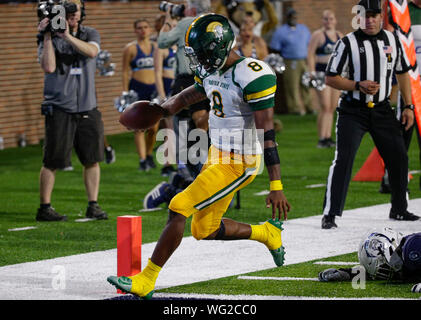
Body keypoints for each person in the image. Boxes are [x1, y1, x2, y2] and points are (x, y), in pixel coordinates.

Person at [107, 13, 290, 299]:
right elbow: (186, 97)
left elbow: (267, 134)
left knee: (179, 205)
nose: (199, 62)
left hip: (241, 161)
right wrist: (159, 112)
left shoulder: (253, 74)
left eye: (202, 54)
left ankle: (147, 279)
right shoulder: (211, 70)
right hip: (217, 153)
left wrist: (276, 186)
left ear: (218, 48)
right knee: (204, 228)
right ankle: (266, 233)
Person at [321, 0, 420, 230]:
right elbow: (331, 77)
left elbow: (403, 73)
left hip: (383, 109)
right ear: (359, 17)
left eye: (374, 15)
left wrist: (408, 106)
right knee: (343, 159)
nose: (370, 20)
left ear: (382, 16)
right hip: (353, 110)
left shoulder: (392, 40)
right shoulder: (347, 43)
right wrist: (357, 85)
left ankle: (399, 208)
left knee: (399, 157)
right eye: (366, 16)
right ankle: (330, 213)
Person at [36, 0, 107, 221]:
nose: (73, 13)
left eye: (76, 9)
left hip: (87, 105)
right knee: (52, 160)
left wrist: (66, 36)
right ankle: (44, 208)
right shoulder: (48, 36)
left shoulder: (90, 33)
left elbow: (92, 52)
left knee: (92, 158)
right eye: (69, 10)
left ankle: (93, 205)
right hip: (59, 107)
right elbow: (48, 66)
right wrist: (48, 36)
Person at [157, 0, 211, 179]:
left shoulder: (186, 23)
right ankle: (203, 161)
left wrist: (167, 18)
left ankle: (187, 168)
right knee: (201, 119)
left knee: (179, 122)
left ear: (192, 8)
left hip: (187, 78)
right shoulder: (212, 22)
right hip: (209, 77)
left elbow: (163, 42)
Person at [380, 0, 421, 193]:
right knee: (403, 133)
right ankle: (392, 178)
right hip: (410, 83)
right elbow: (387, 37)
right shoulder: (401, 10)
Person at [319, 227, 421, 283]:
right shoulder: (403, 256)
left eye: (383, 266)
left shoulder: (413, 246)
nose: (388, 273)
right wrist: (347, 273)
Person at [122, 19, 158, 171]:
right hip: (137, 88)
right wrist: (125, 92)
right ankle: (142, 160)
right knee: (138, 127)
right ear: (135, 30)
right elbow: (124, 72)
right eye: (139, 28)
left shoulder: (156, 47)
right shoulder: (130, 48)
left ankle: (149, 154)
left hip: (154, 89)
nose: (143, 30)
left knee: (154, 127)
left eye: (145, 27)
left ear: (149, 30)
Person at [307, 10, 343, 148]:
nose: (328, 21)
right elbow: (310, 53)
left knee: (333, 107)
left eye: (331, 19)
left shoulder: (340, 35)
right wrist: (312, 72)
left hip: (335, 73)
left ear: (335, 20)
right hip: (322, 72)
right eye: (325, 19)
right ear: (322, 21)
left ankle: (328, 137)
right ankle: (322, 137)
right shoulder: (318, 35)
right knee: (325, 106)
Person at [269, 8, 312, 115]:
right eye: (291, 17)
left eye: (295, 17)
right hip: (289, 60)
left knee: (306, 84)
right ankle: (294, 109)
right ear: (287, 18)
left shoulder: (304, 29)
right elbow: (275, 49)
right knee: (292, 86)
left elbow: (309, 45)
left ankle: (309, 107)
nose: (294, 19)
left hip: (303, 60)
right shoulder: (281, 31)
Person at [153, 15, 177, 177]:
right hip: (168, 87)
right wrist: (162, 95)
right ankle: (168, 164)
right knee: (169, 129)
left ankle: (184, 161)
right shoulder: (161, 48)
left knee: (184, 127)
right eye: (170, 26)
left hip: (181, 87)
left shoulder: (182, 46)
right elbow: (157, 73)